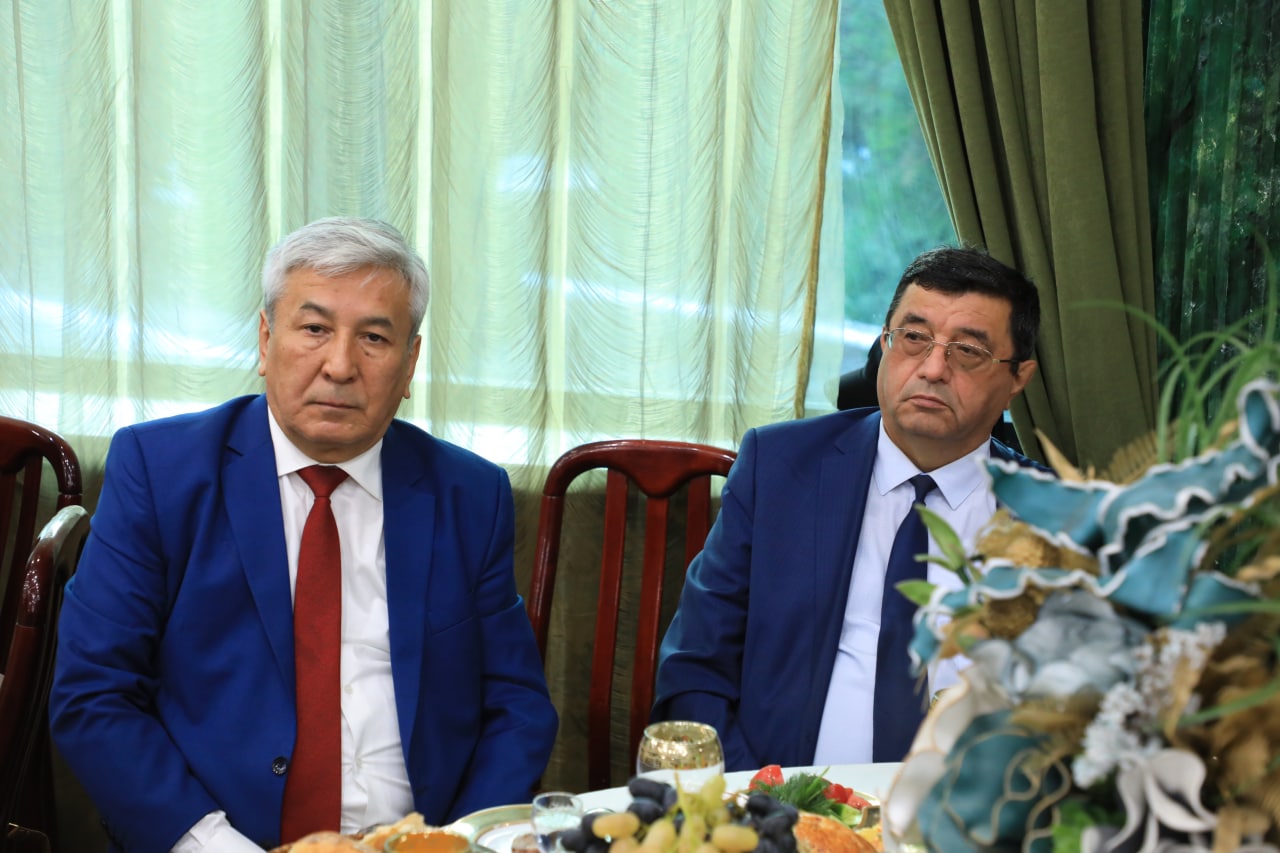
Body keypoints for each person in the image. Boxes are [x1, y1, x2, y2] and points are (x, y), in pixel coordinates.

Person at [50, 217, 558, 853]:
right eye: (314, 329)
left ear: (410, 364)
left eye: (374, 337)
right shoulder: (162, 471)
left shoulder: (470, 494)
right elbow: (94, 693)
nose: (340, 366)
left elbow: (516, 707)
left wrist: (458, 844)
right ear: (266, 341)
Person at [652, 245, 1043, 770]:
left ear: (1018, 378)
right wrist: (762, 798)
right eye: (914, 338)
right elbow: (696, 666)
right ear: (884, 343)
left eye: (967, 351)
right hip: (778, 803)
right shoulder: (779, 468)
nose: (933, 369)